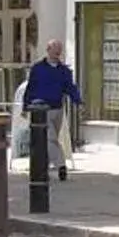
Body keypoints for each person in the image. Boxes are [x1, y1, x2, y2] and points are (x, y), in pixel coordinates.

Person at [18, 40, 83, 179]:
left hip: (58, 109)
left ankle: (42, 168)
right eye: (55, 49)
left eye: (60, 49)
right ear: (48, 50)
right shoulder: (38, 69)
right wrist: (25, 106)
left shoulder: (64, 71)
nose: (58, 52)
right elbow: (31, 88)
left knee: (47, 141)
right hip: (41, 110)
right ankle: (61, 166)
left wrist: (78, 101)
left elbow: (70, 87)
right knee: (50, 139)